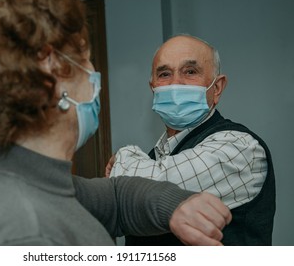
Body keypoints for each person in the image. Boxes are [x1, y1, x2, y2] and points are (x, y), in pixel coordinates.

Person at [0, 0, 231, 246]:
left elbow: (116, 197)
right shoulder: (24, 232)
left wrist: (174, 204)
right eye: (84, 58)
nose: (93, 72)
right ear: (51, 71)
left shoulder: (30, 179)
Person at [107, 34, 275, 246]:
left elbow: (149, 191)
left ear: (217, 88)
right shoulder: (153, 158)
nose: (175, 84)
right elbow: (117, 213)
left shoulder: (240, 147)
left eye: (190, 72)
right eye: (165, 74)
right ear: (153, 89)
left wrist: (123, 156)